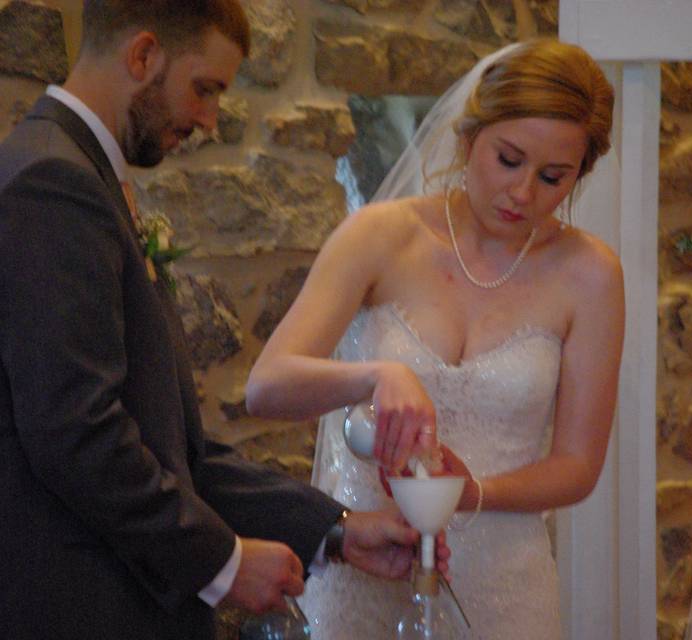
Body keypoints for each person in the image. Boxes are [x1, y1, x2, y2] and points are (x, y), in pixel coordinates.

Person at [0, 2, 446, 639]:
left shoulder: (78, 171)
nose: (208, 120)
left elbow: (174, 449)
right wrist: (223, 561)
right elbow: (76, 433)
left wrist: (336, 530)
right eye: (204, 88)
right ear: (143, 55)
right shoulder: (52, 182)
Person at [246, 39, 624, 638]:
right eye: (508, 159)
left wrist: (473, 491)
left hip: (504, 582)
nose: (524, 192)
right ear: (470, 136)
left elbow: (577, 465)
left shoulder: (590, 275)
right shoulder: (380, 235)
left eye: (553, 177)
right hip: (365, 565)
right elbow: (266, 387)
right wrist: (376, 375)